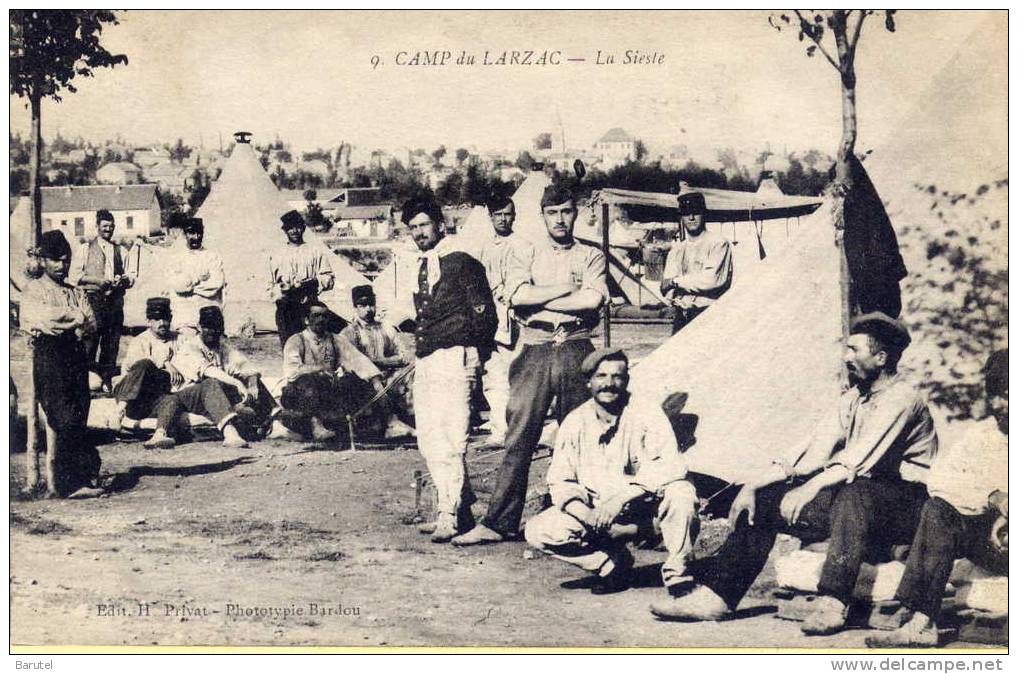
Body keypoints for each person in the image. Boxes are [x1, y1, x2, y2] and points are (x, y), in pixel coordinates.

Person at [650, 312, 938, 635]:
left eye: (854, 350)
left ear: (881, 357)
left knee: (855, 491)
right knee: (766, 500)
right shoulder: (854, 399)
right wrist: (754, 486)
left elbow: (855, 463)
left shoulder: (902, 398)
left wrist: (807, 489)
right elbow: (810, 451)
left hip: (911, 508)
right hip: (857, 504)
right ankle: (717, 597)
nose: (846, 358)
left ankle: (833, 600)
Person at [453, 184, 608, 547]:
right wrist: (565, 289)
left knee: (578, 434)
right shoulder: (527, 251)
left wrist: (546, 297)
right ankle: (499, 521)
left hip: (575, 346)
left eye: (566, 211)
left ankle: (579, 519)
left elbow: (593, 299)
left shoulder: (591, 255)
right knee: (519, 433)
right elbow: (518, 295)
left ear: (576, 213)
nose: (560, 219)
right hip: (535, 346)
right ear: (542, 216)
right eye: (552, 212)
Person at [524, 348, 696, 595]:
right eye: (601, 376)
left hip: (645, 507)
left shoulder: (646, 412)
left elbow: (671, 464)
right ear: (588, 382)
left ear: (626, 381)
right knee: (540, 530)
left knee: (682, 493)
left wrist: (621, 499)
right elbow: (561, 481)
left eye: (617, 377)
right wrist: (587, 515)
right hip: (599, 511)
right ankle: (611, 566)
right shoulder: (575, 422)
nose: (609, 384)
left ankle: (679, 575)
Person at [867, 349, 1008, 648]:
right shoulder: (981, 436)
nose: (998, 404)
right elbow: (941, 480)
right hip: (996, 546)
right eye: (993, 393)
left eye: (1008, 393)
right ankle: (921, 622)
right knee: (939, 511)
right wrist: (993, 499)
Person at [398, 196, 497, 542]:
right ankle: (461, 508)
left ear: (441, 224)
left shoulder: (462, 262)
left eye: (424, 225)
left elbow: (485, 316)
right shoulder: (422, 264)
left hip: (455, 357)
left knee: (451, 438)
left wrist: (473, 357)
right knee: (429, 437)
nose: (419, 233)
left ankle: (448, 514)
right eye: (412, 228)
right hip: (428, 359)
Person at [20, 230, 102, 497]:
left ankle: (81, 477)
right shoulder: (34, 290)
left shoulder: (74, 291)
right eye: (55, 260)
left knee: (80, 413)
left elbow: (91, 323)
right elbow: (43, 321)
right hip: (50, 358)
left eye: (65, 260)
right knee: (63, 417)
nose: (61, 265)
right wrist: (74, 318)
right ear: (43, 260)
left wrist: (74, 320)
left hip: (76, 358)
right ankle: (69, 483)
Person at [151, 306, 297, 448]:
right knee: (211, 383)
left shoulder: (221, 346)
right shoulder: (190, 347)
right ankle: (229, 432)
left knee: (253, 381)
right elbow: (209, 371)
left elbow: (246, 367)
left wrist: (252, 382)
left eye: (217, 327)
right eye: (208, 327)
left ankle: (276, 426)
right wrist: (237, 384)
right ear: (199, 327)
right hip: (187, 396)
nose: (213, 332)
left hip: (214, 395)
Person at [281, 301, 407, 441]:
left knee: (356, 381)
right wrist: (320, 369)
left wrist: (375, 379)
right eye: (316, 316)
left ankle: (387, 422)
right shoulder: (296, 340)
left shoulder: (336, 340)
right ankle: (316, 426)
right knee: (308, 382)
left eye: (324, 316)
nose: (321, 320)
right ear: (306, 320)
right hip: (300, 394)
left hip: (328, 391)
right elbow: (292, 371)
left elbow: (357, 360)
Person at [70, 209, 135, 391]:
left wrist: (123, 280)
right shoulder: (85, 249)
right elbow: (74, 276)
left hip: (114, 302)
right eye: (105, 226)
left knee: (111, 342)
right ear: (97, 227)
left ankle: (106, 380)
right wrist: (97, 281)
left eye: (111, 226)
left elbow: (131, 275)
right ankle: (84, 380)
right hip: (93, 300)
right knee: (90, 341)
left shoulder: (120, 250)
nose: (108, 229)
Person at [339, 284, 415, 431]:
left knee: (414, 373)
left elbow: (403, 357)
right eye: (363, 305)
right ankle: (390, 423)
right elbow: (350, 363)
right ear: (355, 307)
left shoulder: (386, 328)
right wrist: (377, 366)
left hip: (391, 376)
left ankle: (412, 419)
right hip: (364, 381)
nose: (368, 309)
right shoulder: (348, 333)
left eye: (371, 304)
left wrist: (375, 362)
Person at [476, 193, 521, 445]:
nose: (504, 219)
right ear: (490, 217)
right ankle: (499, 429)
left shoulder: (522, 244)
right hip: (490, 320)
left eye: (508, 214)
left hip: (516, 318)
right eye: (498, 215)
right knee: (493, 376)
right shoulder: (483, 247)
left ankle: (519, 428)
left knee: (518, 373)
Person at [110, 297, 184, 439]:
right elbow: (137, 366)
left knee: (170, 398)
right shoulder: (140, 341)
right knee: (145, 364)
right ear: (149, 321)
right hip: (131, 396)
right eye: (156, 319)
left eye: (165, 318)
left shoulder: (180, 339)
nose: (162, 323)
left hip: (155, 397)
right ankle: (118, 413)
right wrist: (166, 363)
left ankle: (160, 433)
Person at [660, 192, 732, 334]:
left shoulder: (717, 243)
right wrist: (671, 288)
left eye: (696, 213)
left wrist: (675, 282)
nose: (691, 218)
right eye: (686, 214)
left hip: (708, 314)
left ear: (704, 214)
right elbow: (666, 285)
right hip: (682, 315)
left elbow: (710, 281)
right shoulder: (677, 249)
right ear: (681, 217)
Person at [268, 209, 335, 348]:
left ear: (303, 228)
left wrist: (313, 283)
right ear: (285, 231)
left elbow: (328, 278)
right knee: (290, 347)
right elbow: (269, 284)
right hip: (286, 308)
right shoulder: (277, 254)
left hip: (309, 306)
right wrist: (282, 289)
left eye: (297, 227)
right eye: (290, 228)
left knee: (313, 346)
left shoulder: (314, 252)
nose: (294, 231)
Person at [167, 217, 225, 331]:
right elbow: (177, 286)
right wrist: (197, 279)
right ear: (184, 234)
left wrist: (189, 288)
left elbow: (216, 284)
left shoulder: (212, 257)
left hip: (209, 316)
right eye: (192, 233)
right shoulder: (176, 258)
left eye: (199, 233)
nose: (196, 237)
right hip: (185, 318)